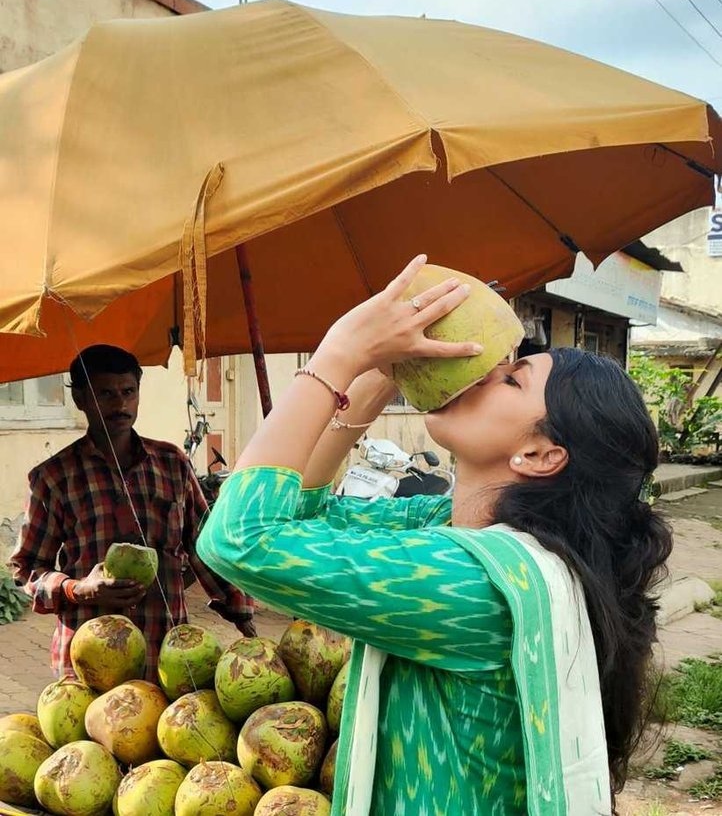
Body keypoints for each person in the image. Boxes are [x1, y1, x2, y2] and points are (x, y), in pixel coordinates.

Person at [197, 256, 672, 815]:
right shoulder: (441, 524)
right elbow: (299, 514)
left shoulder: (476, 584)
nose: (489, 369)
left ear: (541, 454)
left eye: (513, 378)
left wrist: (338, 356)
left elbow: (237, 538)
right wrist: (370, 387)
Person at [10, 344, 255, 682]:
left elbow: (205, 548)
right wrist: (77, 588)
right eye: (106, 394)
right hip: (90, 664)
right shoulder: (53, 478)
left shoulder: (172, 464)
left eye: (128, 392)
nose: (120, 404)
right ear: (81, 399)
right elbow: (26, 570)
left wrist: (240, 612)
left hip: (166, 657)